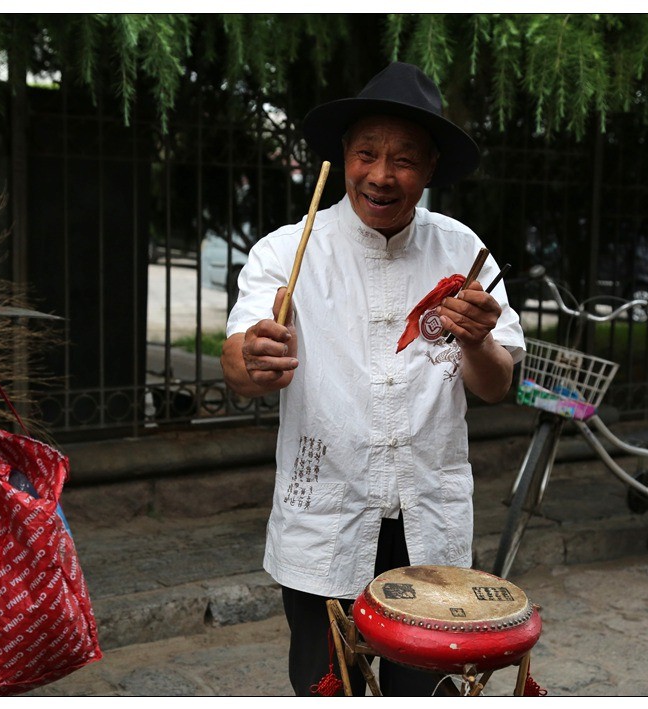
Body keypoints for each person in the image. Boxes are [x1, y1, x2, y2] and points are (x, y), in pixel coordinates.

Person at [221, 62, 525, 696]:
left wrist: (477, 340)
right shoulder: (288, 249)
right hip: (326, 520)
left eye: (405, 160)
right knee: (328, 685)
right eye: (367, 154)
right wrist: (253, 358)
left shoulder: (464, 252)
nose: (382, 175)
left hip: (430, 524)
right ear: (343, 158)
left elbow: (497, 386)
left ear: (431, 169)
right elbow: (240, 361)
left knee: (427, 690)